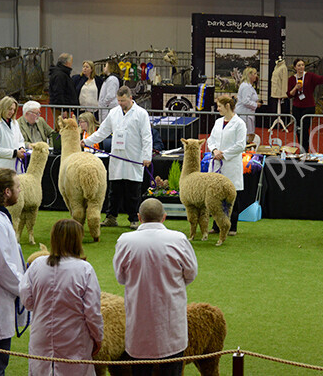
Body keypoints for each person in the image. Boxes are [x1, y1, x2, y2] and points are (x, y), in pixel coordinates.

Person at [113, 198, 198, 376]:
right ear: (164, 217)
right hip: (171, 326)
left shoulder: (125, 241)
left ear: (139, 217)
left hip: (139, 326)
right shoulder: (179, 239)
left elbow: (120, 278)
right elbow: (191, 274)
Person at [20, 219, 103, 376]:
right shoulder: (84, 269)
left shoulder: (37, 265)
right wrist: (98, 337)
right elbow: (92, 311)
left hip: (42, 335)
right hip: (73, 339)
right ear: (77, 240)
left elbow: (27, 300)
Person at [83, 86, 153, 229]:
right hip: (117, 157)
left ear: (130, 98)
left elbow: (147, 136)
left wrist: (147, 156)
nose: (120, 103)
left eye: (123, 100)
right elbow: (102, 131)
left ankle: (134, 219)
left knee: (133, 191)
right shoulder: (114, 113)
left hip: (134, 157)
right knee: (114, 191)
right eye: (119, 100)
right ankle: (111, 217)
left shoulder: (141, 114)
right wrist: (86, 141)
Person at [0, 168, 25, 375]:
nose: (20, 190)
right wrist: (26, 288)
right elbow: (1, 267)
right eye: (18, 187)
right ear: (7, 192)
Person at [207, 95, 247, 236]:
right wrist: (214, 150)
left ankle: (233, 227)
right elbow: (210, 140)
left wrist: (224, 153)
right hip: (217, 163)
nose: (217, 109)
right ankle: (216, 226)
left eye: (219, 106)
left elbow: (241, 145)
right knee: (216, 196)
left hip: (231, 164)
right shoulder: (218, 122)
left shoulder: (239, 123)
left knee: (232, 196)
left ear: (228, 106)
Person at [287, 58, 323, 153]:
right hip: (297, 107)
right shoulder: (291, 79)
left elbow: (322, 79)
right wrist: (296, 87)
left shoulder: (309, 76)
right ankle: (301, 148)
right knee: (298, 129)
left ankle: (305, 150)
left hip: (308, 106)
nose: (301, 67)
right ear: (295, 67)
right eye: (299, 65)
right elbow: (289, 94)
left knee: (304, 128)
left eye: (302, 65)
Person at [0, 96, 26, 173]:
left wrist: (21, 148)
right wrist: (14, 153)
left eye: (14, 110)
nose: (12, 112)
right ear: (3, 108)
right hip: (2, 168)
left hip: (16, 167)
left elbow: (20, 139)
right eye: (10, 109)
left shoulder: (15, 123)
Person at [237, 67, 261, 145]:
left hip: (248, 114)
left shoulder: (248, 86)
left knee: (249, 134)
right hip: (244, 114)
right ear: (249, 75)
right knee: (245, 135)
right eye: (254, 74)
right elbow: (245, 101)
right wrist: (256, 105)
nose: (256, 76)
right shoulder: (246, 86)